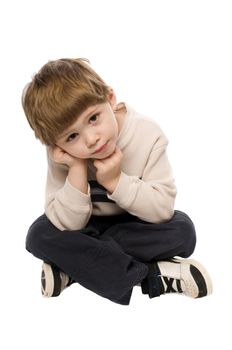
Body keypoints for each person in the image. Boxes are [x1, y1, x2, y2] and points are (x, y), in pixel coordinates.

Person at [21, 58, 212, 305]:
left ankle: (74, 268)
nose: (91, 139)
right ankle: (150, 276)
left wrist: (116, 181)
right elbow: (67, 224)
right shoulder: (66, 156)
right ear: (56, 144)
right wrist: (77, 169)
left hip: (137, 225)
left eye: (93, 118)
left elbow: (162, 211)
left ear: (110, 98)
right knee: (38, 235)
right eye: (72, 136)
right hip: (88, 226)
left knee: (183, 231)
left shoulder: (147, 134)